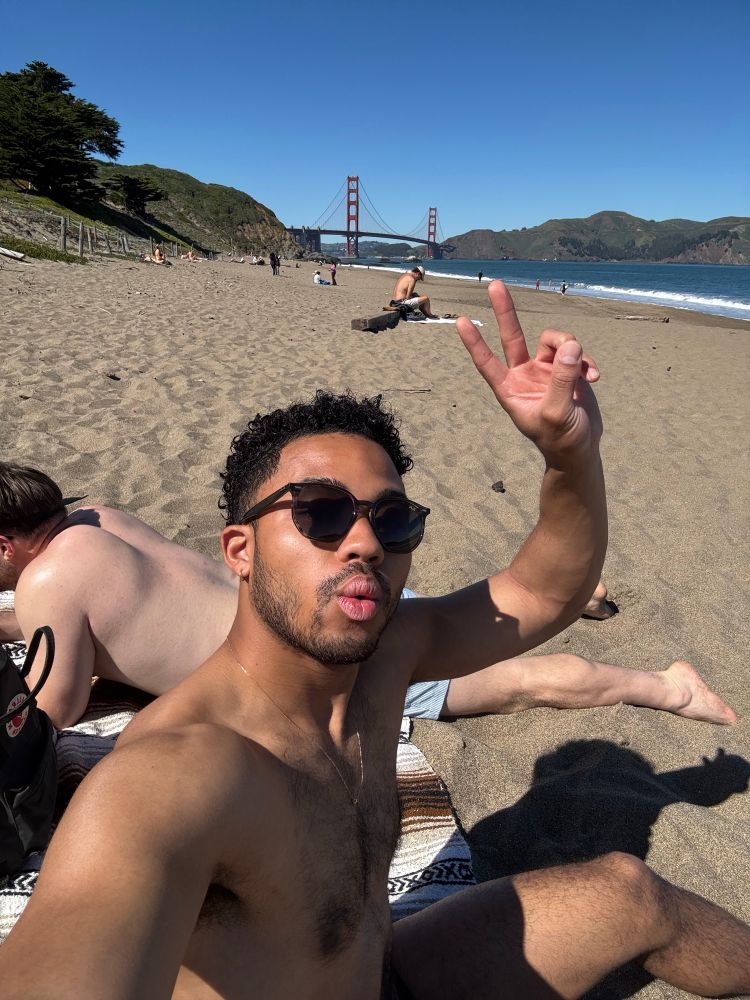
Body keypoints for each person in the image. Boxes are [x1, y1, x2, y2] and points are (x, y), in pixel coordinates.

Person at [3, 283, 748, 997]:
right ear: (239, 550)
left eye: (392, 521)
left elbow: (542, 592)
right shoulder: (178, 773)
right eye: (321, 513)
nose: (363, 542)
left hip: (379, 972)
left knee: (630, 890)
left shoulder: (386, 660)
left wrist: (570, 457)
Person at [0, 465, 734, 730]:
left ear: (6, 545)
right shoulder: (97, 521)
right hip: (314, 596)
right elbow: (116, 606)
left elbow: (52, 709)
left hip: (319, 660)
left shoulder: (47, 583)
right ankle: (583, 597)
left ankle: (668, 688)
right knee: (462, 616)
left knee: (515, 680)